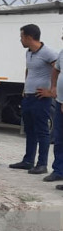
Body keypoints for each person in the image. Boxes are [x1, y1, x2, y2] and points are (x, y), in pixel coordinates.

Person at [9, 24, 59, 174]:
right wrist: (25, 88)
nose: (20, 40)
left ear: (29, 37)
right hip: (29, 97)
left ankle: (42, 164)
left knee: (42, 131)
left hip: (40, 98)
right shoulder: (29, 53)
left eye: (22, 37)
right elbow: (28, 69)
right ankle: (28, 161)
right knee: (29, 130)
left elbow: (59, 69)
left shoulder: (48, 53)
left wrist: (51, 91)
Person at [51, 34, 63, 187]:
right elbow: (56, 70)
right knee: (59, 139)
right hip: (60, 102)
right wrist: (53, 86)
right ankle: (59, 171)